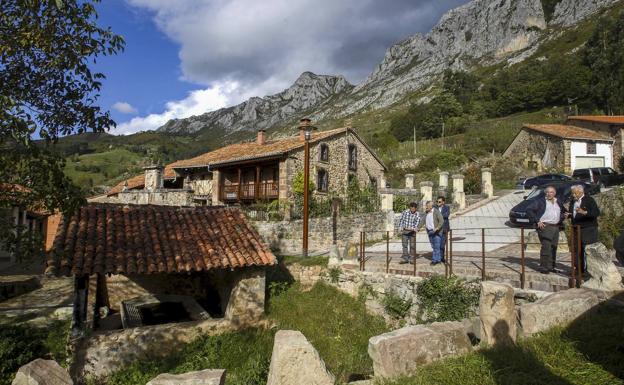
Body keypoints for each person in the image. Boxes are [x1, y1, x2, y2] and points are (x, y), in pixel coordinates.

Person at [525, 185, 566, 274]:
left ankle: (551, 266)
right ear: (545, 193)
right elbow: (529, 210)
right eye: (547, 192)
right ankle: (543, 267)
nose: (549, 194)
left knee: (553, 247)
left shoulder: (557, 201)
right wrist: (537, 221)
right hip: (545, 226)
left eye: (551, 192)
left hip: (556, 227)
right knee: (546, 246)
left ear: (554, 193)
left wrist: (564, 216)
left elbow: (563, 212)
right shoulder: (540, 202)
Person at [567, 184, 600, 274]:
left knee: (588, 250)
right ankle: (579, 269)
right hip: (576, 229)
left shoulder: (589, 200)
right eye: (572, 193)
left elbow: (596, 213)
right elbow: (573, 213)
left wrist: (584, 212)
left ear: (581, 192)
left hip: (588, 229)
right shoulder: (573, 201)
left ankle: (590, 271)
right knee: (577, 249)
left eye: (575, 193)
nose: (573, 195)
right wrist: (569, 215)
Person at [418, 201, 444, 265]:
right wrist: (418, 228)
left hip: (436, 232)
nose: (426, 207)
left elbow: (441, 220)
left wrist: (437, 228)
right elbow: (423, 221)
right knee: (433, 246)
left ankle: (434, 260)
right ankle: (438, 259)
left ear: (431, 206)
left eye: (427, 206)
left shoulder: (436, 212)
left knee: (436, 246)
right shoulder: (426, 213)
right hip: (430, 232)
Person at [436, 196, 450, 262]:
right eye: (437, 201)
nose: (438, 203)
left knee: (442, 244)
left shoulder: (447, 207)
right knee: (437, 244)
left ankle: (442, 257)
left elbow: (446, 215)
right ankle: (438, 258)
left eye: (439, 202)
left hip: (444, 228)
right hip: (437, 229)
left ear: (443, 202)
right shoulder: (435, 208)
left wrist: (438, 216)